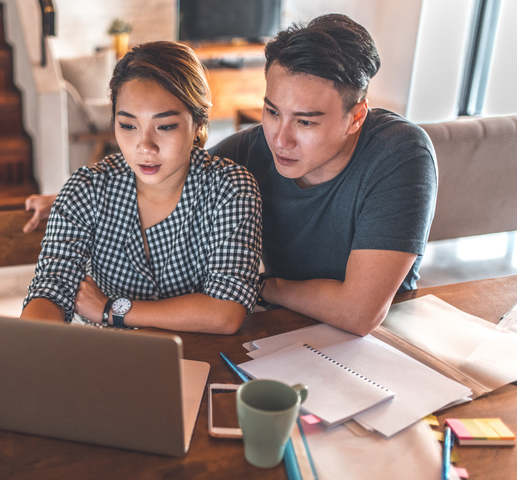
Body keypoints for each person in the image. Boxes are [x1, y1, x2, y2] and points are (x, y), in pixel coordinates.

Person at [22, 15, 438, 337]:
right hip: (277, 332)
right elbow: (167, 171)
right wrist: (66, 198)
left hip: (380, 342)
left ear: (355, 117)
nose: (281, 139)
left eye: (306, 122)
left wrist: (256, 287)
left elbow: (359, 312)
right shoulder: (251, 150)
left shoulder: (399, 153)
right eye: (272, 111)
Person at [21, 41, 262, 334]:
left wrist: (111, 309)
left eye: (165, 126)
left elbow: (225, 312)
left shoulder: (230, 190)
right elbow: (51, 289)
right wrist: (30, 346)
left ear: (199, 123)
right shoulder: (86, 189)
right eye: (128, 125)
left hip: (203, 357)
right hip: (113, 359)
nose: (144, 147)